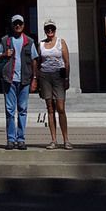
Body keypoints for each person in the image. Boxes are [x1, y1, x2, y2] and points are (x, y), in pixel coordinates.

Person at [0, 14, 38, 150]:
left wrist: (34, 79)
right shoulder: (5, 40)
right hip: (9, 80)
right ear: (12, 25)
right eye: (15, 24)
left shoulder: (29, 41)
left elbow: (34, 60)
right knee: (9, 110)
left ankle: (21, 139)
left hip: (24, 80)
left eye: (20, 23)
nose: (18, 26)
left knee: (23, 110)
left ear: (24, 25)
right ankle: (11, 139)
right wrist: (4, 54)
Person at [37, 18, 72, 149]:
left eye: (52, 28)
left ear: (55, 30)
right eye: (47, 29)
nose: (49, 31)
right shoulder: (41, 44)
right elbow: (38, 62)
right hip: (45, 76)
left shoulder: (60, 42)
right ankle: (53, 140)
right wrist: (37, 79)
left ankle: (66, 139)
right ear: (45, 31)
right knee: (50, 108)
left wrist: (67, 78)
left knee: (61, 108)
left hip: (58, 76)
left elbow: (67, 62)